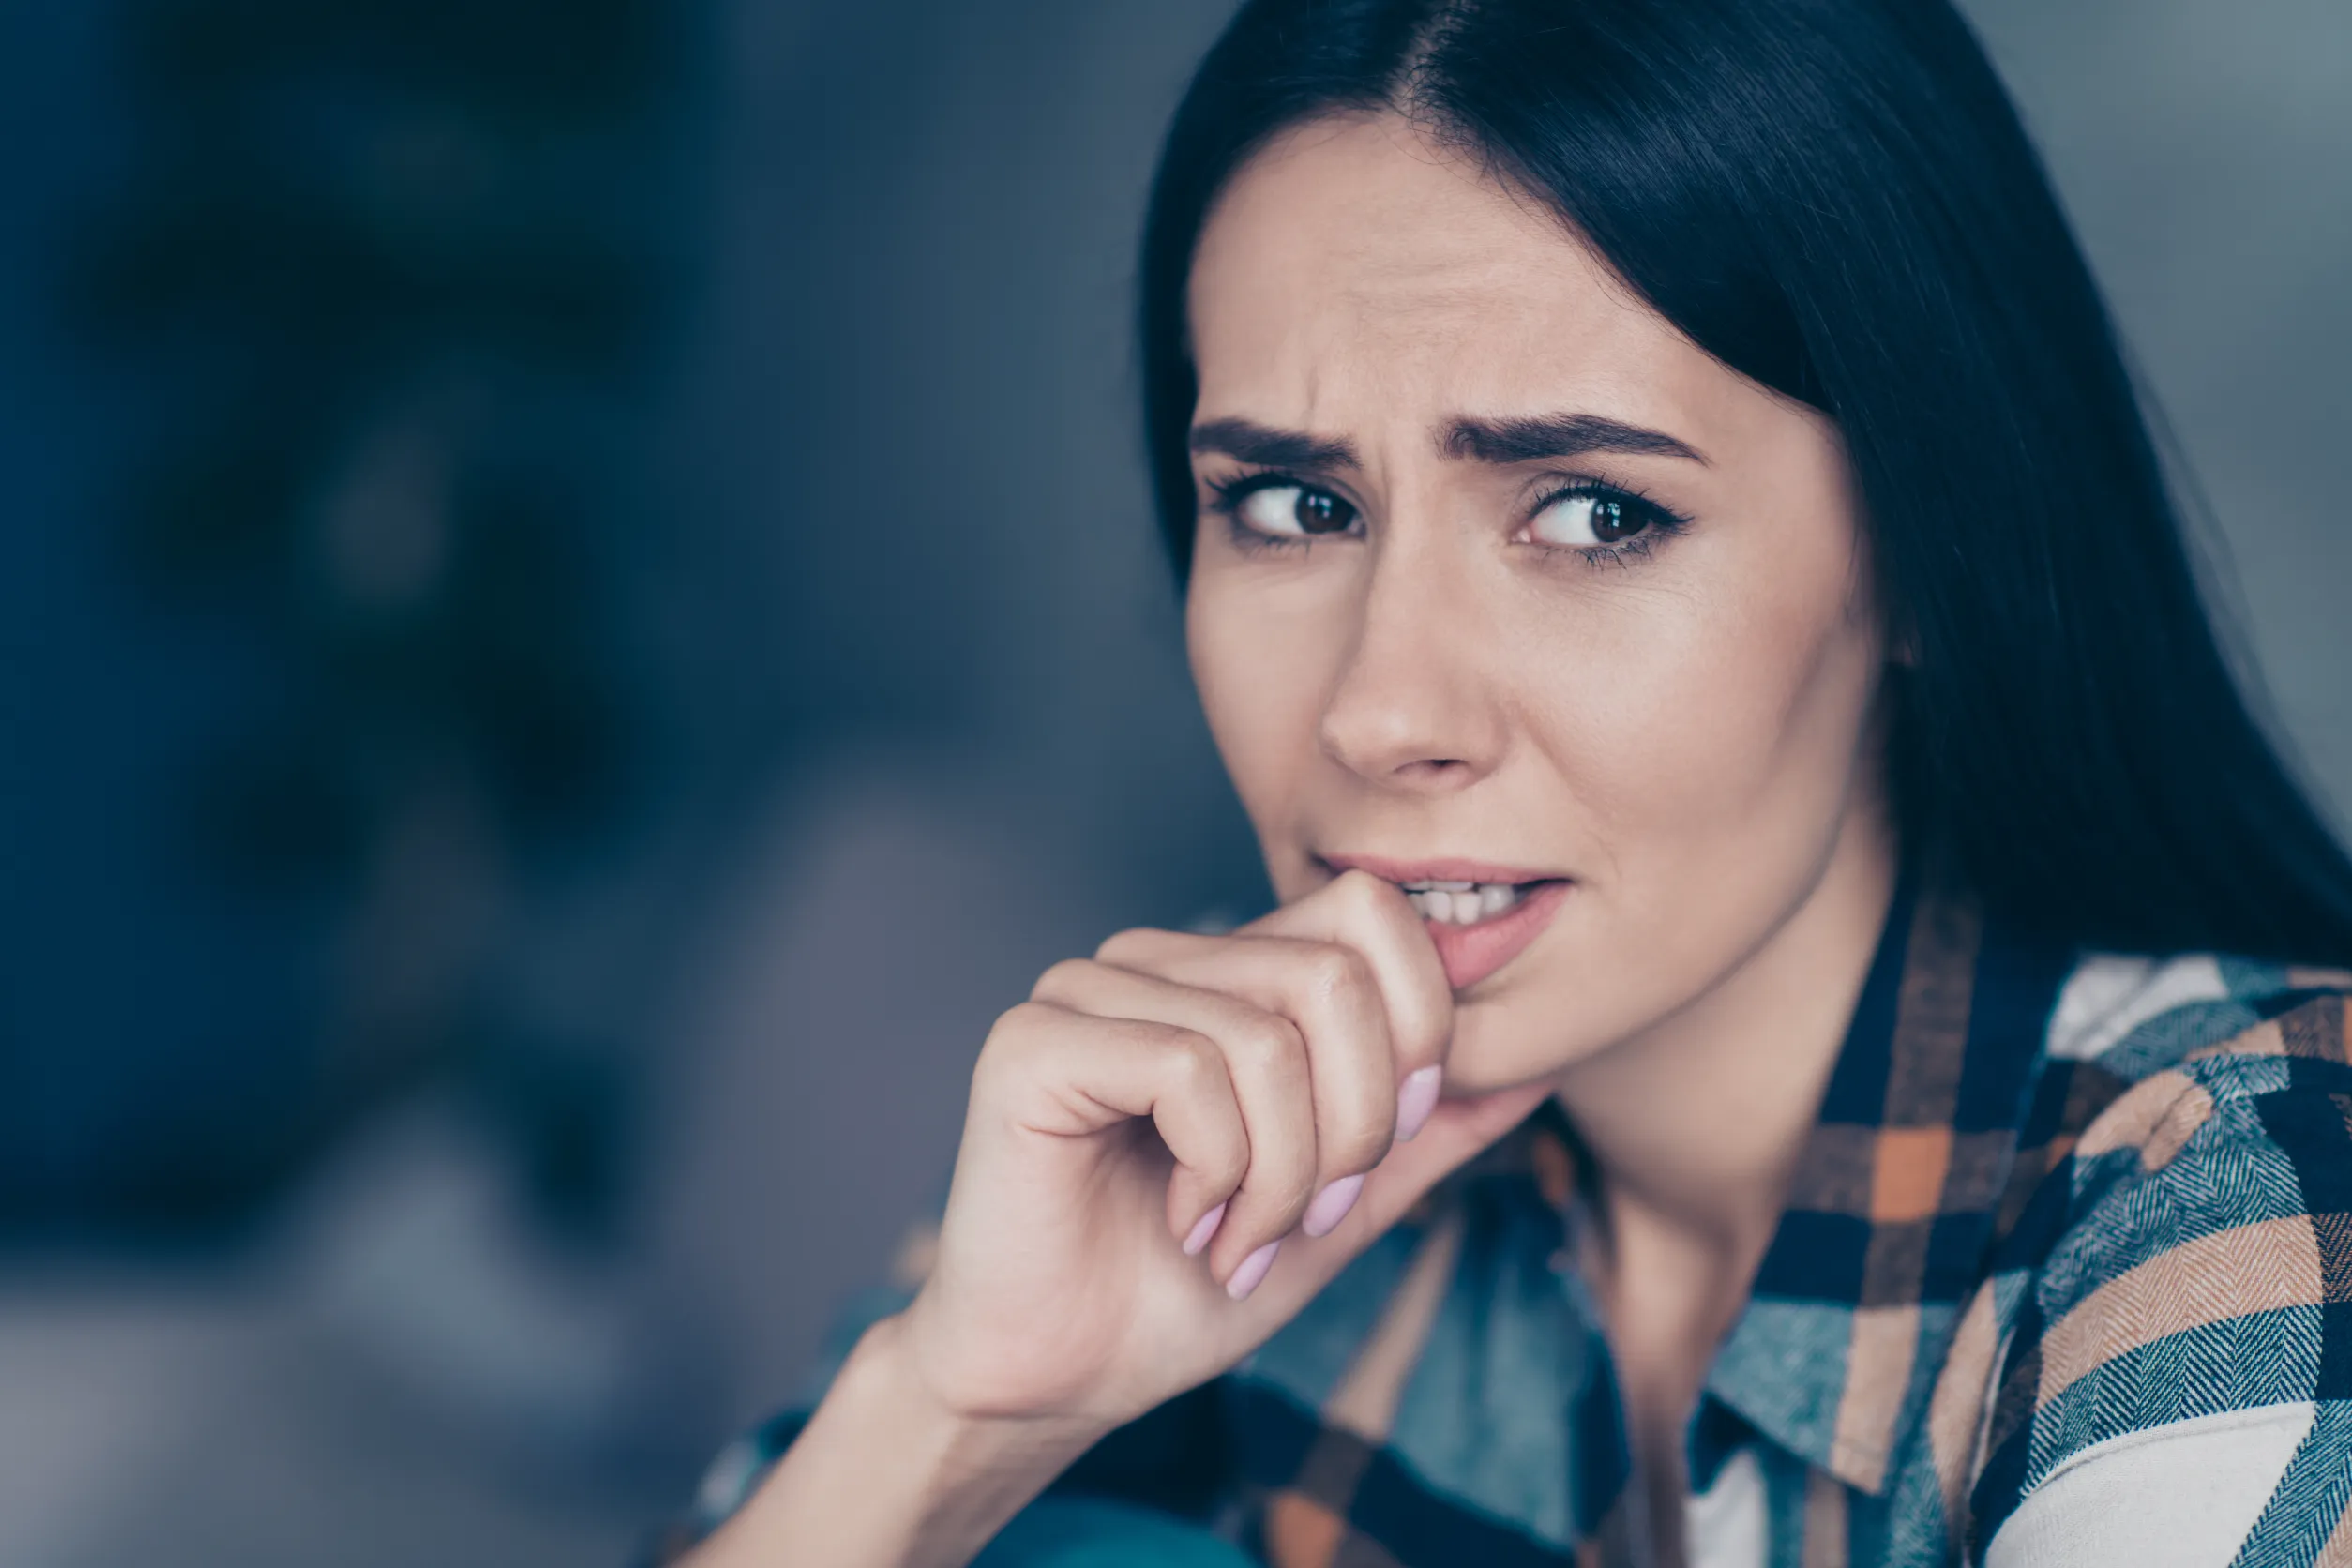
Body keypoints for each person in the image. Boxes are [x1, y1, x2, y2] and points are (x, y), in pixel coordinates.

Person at [659, 0, 2352, 1562]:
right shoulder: (1216, 1117)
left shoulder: (2247, 1196)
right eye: (1294, 507)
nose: (1383, 714)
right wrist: (957, 1411)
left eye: (1595, 513)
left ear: (1923, 551)